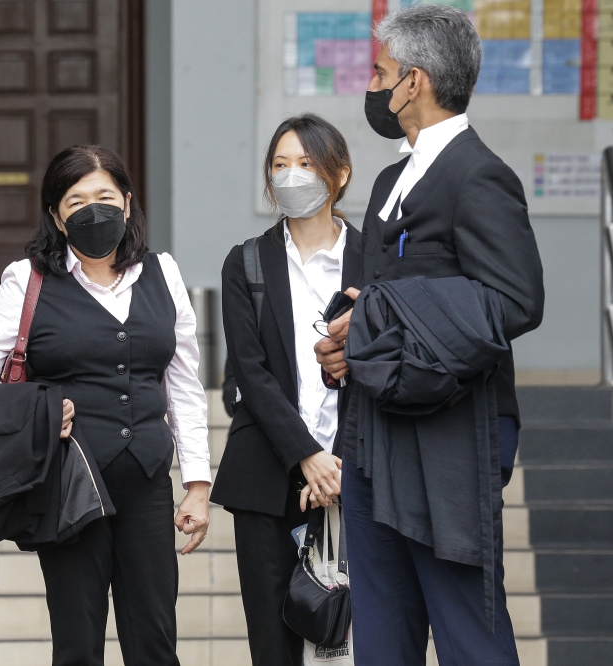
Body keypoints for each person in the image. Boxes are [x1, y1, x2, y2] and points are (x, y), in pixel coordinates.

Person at [315, 6, 544, 666]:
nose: (374, 86)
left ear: (414, 82)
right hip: (372, 429)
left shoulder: (479, 175)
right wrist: (347, 344)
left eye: (381, 72)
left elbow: (516, 300)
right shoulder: (392, 178)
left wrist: (384, 312)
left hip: (449, 434)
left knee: (468, 633)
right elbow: (378, 300)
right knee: (382, 635)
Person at [0, 145, 211, 666]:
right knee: (77, 643)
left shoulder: (163, 273)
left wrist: (198, 485)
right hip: (70, 483)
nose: (92, 210)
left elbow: (184, 385)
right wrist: (34, 411)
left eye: (104, 196)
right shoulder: (27, 279)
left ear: (127, 202)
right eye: (75, 201)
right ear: (56, 214)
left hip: (146, 480)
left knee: (156, 641)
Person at [211, 114, 362, 666]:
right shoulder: (245, 262)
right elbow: (251, 373)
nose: (291, 175)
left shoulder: (375, 262)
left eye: (306, 163)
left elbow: (384, 370)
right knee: (273, 643)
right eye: (280, 165)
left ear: (338, 173)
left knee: (360, 637)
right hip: (265, 478)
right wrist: (307, 456)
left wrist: (336, 460)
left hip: (358, 473)